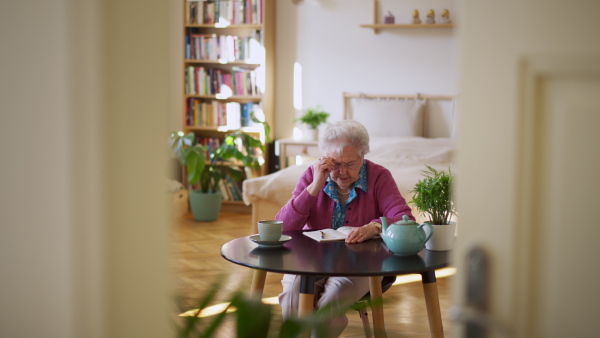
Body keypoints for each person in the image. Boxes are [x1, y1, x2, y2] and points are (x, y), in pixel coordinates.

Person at [276, 119, 414, 337]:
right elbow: (283, 227)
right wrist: (314, 188)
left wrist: (374, 227)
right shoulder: (314, 176)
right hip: (314, 260)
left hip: (362, 264)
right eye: (335, 164)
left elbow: (405, 218)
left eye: (349, 164)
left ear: (362, 157)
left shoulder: (380, 177)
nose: (341, 172)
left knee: (331, 302)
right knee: (294, 294)